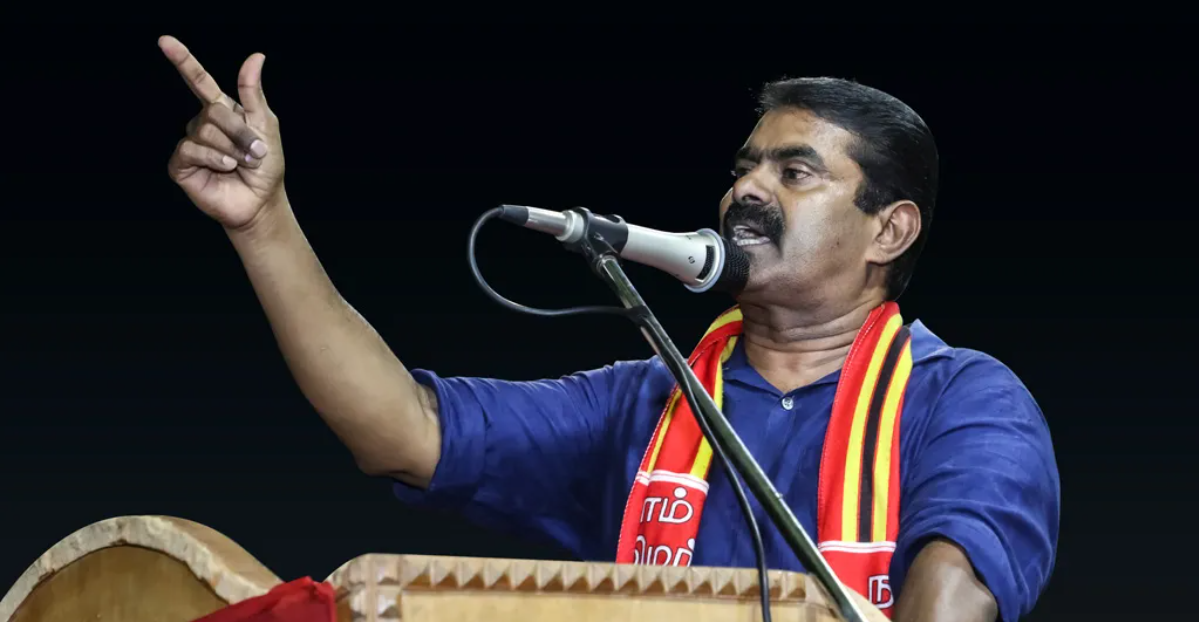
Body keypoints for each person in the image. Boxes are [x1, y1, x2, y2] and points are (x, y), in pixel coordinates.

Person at [159, 35, 1059, 622]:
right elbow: (402, 431)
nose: (746, 190)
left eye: (794, 173)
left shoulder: (963, 399)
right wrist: (263, 223)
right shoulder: (646, 403)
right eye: (743, 168)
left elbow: (952, 590)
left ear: (888, 232)